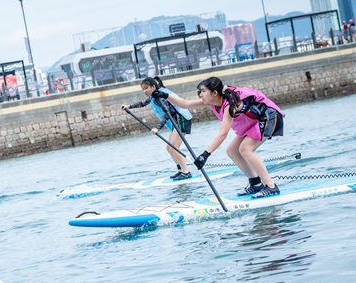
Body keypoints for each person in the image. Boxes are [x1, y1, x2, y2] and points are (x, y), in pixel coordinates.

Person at [151, 76, 285, 197]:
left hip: (269, 118)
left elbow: (223, 134)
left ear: (214, 93)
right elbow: (184, 103)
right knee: (232, 151)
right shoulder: (213, 101)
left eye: (203, 91)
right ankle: (256, 184)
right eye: (200, 91)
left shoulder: (229, 104)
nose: (200, 94)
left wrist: (205, 155)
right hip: (253, 122)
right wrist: (164, 95)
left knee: (245, 149)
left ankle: (271, 187)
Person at [121, 76, 194, 180]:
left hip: (181, 120)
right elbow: (143, 103)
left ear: (153, 87)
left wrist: (158, 128)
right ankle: (180, 170)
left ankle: (186, 172)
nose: (144, 91)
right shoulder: (153, 96)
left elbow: (169, 113)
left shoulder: (159, 97)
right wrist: (129, 106)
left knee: (174, 147)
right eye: (143, 89)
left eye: (146, 88)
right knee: (169, 148)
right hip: (175, 122)